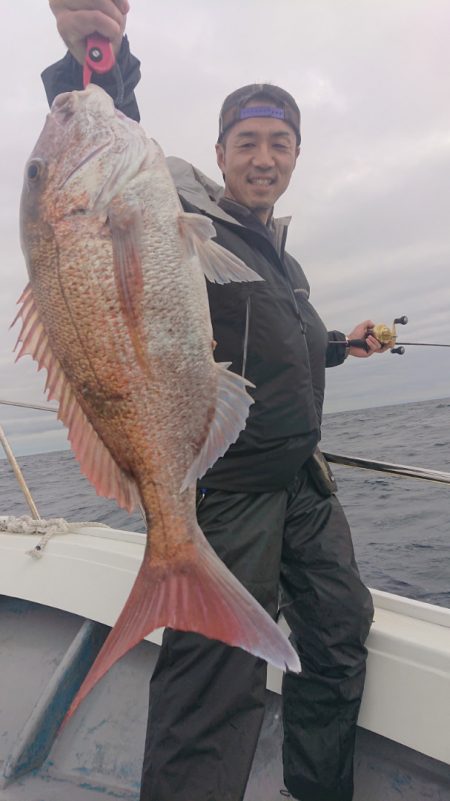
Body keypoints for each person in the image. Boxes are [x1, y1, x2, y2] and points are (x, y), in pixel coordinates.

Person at [44, 3, 389, 799]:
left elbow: (277, 337)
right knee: (215, 684)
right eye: (248, 143)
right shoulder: (186, 215)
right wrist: (94, 58)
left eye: (279, 143)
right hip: (228, 497)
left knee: (339, 637)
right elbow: (101, 167)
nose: (263, 158)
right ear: (221, 153)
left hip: (306, 486)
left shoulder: (283, 259)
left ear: (296, 153)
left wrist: (341, 343)